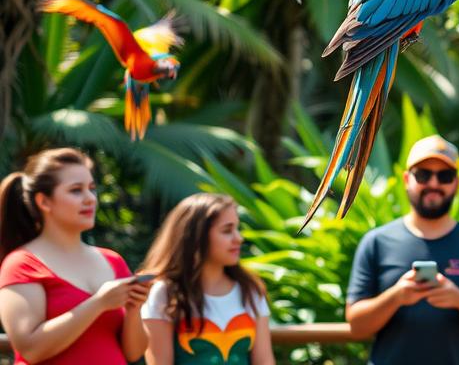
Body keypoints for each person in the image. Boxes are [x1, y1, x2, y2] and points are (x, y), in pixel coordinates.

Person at [346, 135, 459, 364]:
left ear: (456, 183)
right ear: (406, 179)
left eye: (444, 176)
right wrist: (396, 296)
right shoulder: (376, 242)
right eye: (423, 175)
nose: (433, 184)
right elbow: (356, 326)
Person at [0, 147, 149, 364]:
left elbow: (133, 353)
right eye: (76, 190)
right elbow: (31, 349)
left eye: (92, 189)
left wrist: (134, 308)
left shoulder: (113, 260)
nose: (90, 199)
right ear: (44, 202)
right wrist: (98, 303)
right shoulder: (22, 264)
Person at [139, 192, 274, 364]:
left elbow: (264, 361)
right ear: (196, 236)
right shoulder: (165, 293)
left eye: (237, 229)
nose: (239, 238)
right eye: (227, 230)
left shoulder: (250, 289)